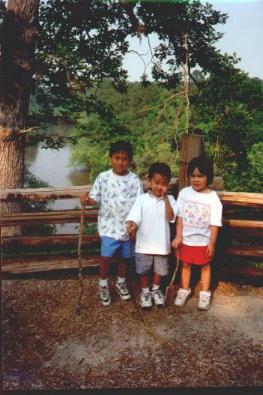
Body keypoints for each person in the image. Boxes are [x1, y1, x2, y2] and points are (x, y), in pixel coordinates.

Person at [80, 141, 143, 306]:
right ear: (110, 159)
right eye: (117, 158)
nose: (120, 162)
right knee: (106, 257)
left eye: (124, 158)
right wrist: (87, 200)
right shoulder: (103, 177)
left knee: (125, 258)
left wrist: (135, 224)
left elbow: (139, 205)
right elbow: (95, 199)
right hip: (108, 226)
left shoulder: (134, 180)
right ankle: (103, 284)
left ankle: (121, 282)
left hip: (128, 227)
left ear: (130, 160)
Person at [172, 156, 222, 310]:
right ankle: (184, 289)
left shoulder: (213, 198)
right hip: (186, 239)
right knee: (185, 264)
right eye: (193, 176)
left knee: (205, 266)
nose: (196, 179)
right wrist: (178, 236)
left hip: (204, 241)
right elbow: (179, 217)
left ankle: (205, 293)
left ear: (208, 177)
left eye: (200, 176)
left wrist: (212, 243)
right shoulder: (184, 193)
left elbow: (215, 223)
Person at [126, 162, 178, 309]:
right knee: (144, 270)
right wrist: (133, 225)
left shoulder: (171, 200)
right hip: (144, 244)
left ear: (168, 185)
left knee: (159, 271)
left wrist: (166, 198)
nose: (159, 187)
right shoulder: (142, 199)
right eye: (156, 183)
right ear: (149, 181)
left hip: (162, 245)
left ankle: (156, 289)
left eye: (164, 184)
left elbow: (170, 217)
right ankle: (145, 292)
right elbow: (135, 216)